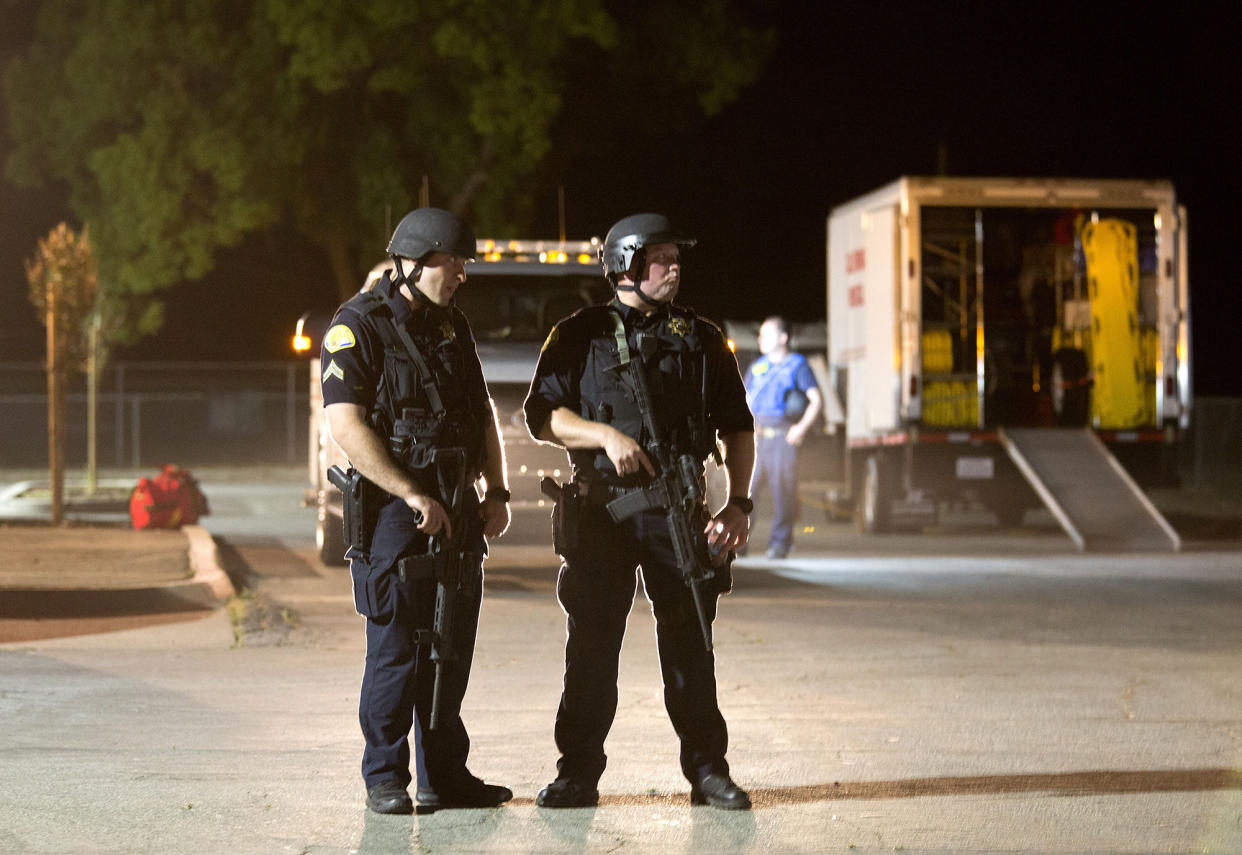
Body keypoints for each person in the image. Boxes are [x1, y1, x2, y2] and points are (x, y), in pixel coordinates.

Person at [524, 213, 756, 810]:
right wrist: (604, 436)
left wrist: (739, 501)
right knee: (593, 648)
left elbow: (737, 426)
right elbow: (544, 416)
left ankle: (707, 771)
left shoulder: (702, 337)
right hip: (602, 514)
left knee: (689, 647)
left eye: (678, 256)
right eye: (661, 257)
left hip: (677, 514)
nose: (675, 266)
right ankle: (577, 773)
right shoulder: (579, 333)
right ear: (626, 263)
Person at [321, 207, 513, 814]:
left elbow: (481, 412)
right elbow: (345, 425)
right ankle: (385, 777)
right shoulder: (358, 326)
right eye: (453, 262)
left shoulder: (453, 326)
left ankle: (444, 777)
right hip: (395, 514)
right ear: (413, 261)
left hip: (456, 501)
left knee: (451, 645)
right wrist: (409, 492)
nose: (461, 273)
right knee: (397, 652)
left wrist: (498, 491)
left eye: (463, 263)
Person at [743, 316, 822, 559]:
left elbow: (816, 400)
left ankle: (781, 542)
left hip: (781, 437)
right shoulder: (758, 367)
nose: (761, 340)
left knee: (784, 492)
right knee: (745, 491)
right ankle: (738, 542)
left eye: (767, 334)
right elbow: (744, 399)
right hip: (757, 437)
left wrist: (801, 429)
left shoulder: (797, 366)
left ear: (783, 337)